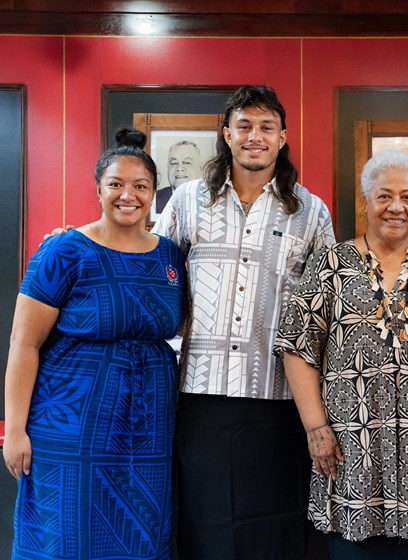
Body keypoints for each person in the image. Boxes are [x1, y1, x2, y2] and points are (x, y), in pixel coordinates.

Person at [152, 86, 335, 559]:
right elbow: (147, 274)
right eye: (245, 126)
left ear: (283, 137)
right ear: (226, 134)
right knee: (202, 521)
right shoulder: (187, 201)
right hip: (197, 395)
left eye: (266, 127)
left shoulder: (311, 212)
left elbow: (326, 310)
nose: (256, 136)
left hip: (277, 397)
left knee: (272, 526)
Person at [275, 149, 408, 560]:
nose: (396, 207)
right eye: (385, 196)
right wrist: (316, 429)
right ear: (366, 200)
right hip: (350, 447)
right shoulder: (330, 263)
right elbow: (298, 348)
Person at [3, 128, 187, 559]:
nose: (129, 195)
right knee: (68, 533)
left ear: (152, 192)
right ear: (99, 189)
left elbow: (179, 325)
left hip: (148, 428)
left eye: (140, 186)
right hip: (71, 425)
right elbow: (23, 343)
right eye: (116, 185)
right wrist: (14, 431)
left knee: (141, 533)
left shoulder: (170, 255)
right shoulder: (64, 251)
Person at [154, 140, 202, 214]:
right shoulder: (154, 200)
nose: (179, 168)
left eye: (187, 162)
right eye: (174, 163)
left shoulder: (212, 198)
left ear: (200, 168)